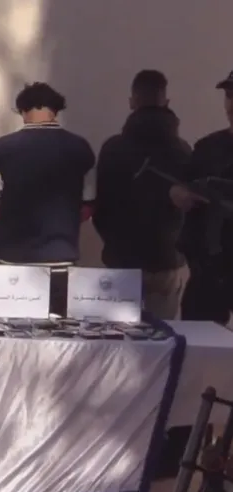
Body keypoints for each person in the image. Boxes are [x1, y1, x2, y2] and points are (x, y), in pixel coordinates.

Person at [0, 82, 95, 315]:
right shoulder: (81, 149)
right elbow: (87, 207)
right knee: (57, 331)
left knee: (7, 329)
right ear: (56, 111)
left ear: (22, 111)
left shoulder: (1, 149)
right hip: (61, 258)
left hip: (10, 258)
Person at [93, 70, 200, 320]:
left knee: (118, 337)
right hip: (166, 259)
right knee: (161, 337)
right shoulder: (183, 150)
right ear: (166, 102)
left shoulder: (113, 149)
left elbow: (100, 208)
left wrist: (114, 243)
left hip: (121, 259)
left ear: (132, 102)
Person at [180, 70, 233, 326]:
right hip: (209, 271)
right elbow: (185, 188)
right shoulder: (208, 148)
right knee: (198, 340)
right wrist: (179, 194)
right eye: (229, 95)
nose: (232, 104)